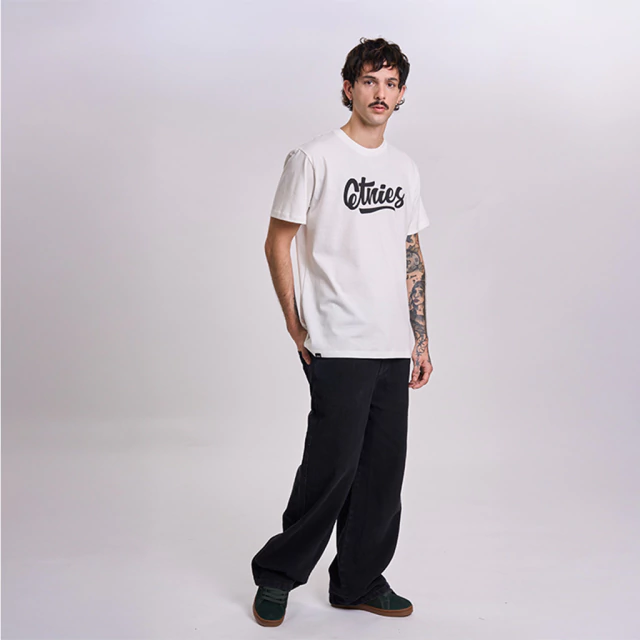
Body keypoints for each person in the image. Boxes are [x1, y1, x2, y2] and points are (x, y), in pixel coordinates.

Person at [251, 36, 433, 627]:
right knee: (330, 471)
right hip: (336, 339)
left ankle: (358, 580)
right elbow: (278, 241)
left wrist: (421, 338)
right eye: (369, 81)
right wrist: (293, 321)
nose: (380, 93)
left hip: (392, 343)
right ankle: (277, 574)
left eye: (391, 83)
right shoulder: (314, 158)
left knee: (382, 475)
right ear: (349, 88)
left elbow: (410, 251)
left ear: (401, 95)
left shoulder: (404, 168)